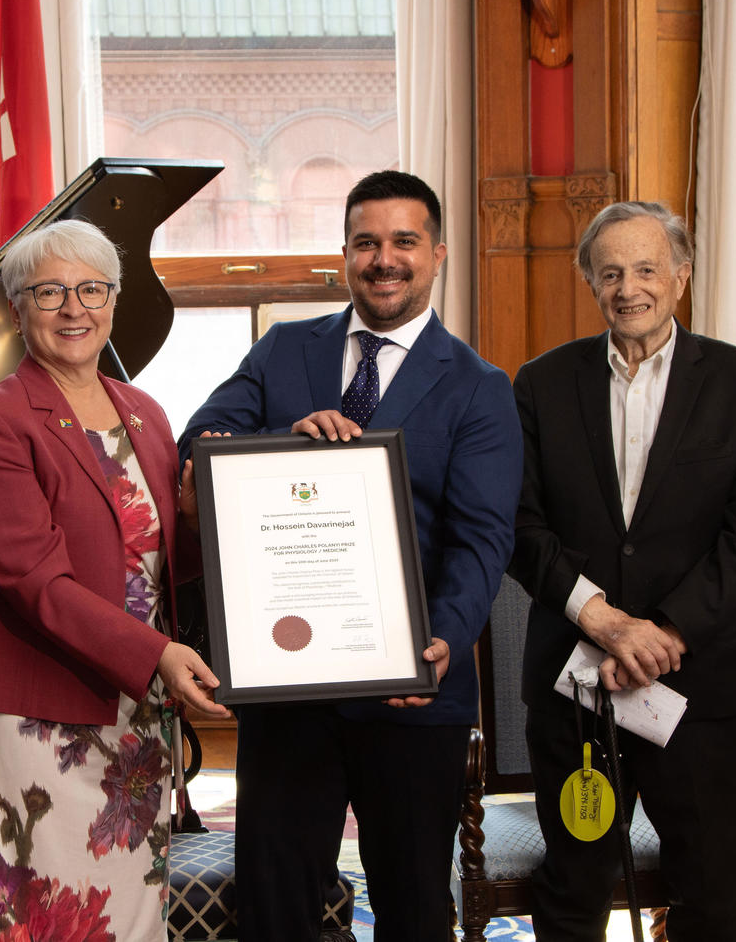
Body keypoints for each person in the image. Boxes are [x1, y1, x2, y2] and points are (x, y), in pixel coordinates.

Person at [179, 170, 522, 941]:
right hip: (289, 692)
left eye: (404, 241)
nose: (384, 259)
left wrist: (444, 639)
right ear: (344, 255)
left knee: (411, 910)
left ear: (436, 254)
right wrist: (283, 443)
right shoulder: (282, 352)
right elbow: (202, 443)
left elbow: (483, 538)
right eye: (367, 243)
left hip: (413, 694)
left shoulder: (478, 387)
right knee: (275, 908)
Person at [0, 219, 230, 942]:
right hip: (41, 713)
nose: (75, 308)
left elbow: (156, 566)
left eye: (92, 289)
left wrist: (195, 521)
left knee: (128, 916)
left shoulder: (148, 414)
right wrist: (156, 656)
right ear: (15, 309)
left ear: (114, 300)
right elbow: (30, 579)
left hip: (135, 715)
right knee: (37, 919)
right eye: (49, 292)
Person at [509, 201, 736, 942]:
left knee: (711, 894)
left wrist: (665, 632)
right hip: (577, 683)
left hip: (699, 685)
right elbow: (520, 526)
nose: (628, 288)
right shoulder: (539, 385)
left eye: (646, 269)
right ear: (592, 284)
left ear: (682, 276)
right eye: (610, 273)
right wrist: (600, 618)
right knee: (573, 891)